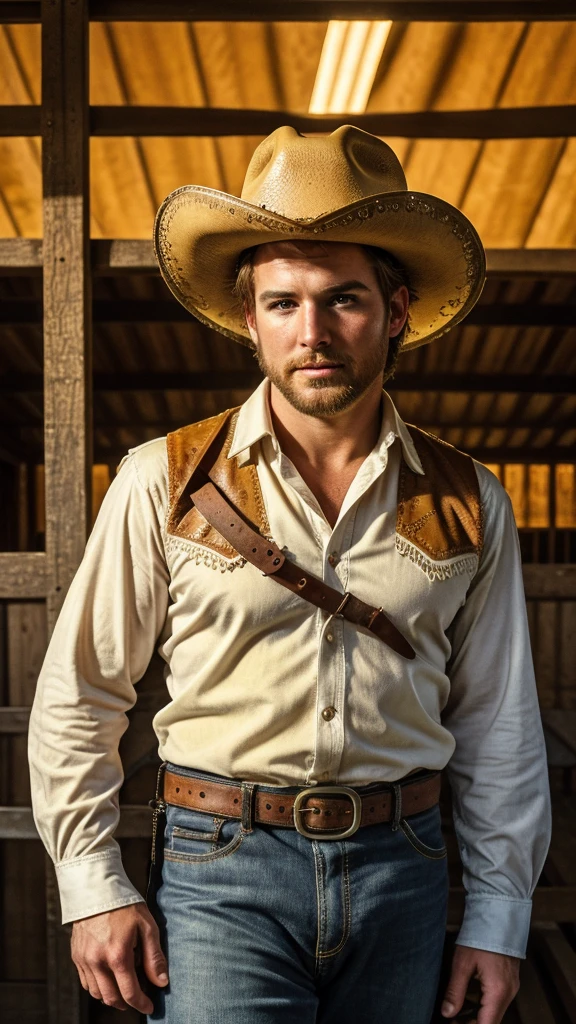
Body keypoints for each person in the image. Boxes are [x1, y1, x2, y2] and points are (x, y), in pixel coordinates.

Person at [29, 126, 551, 1024]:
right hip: (218, 864)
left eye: (342, 299)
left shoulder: (471, 498)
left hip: (408, 867)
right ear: (248, 319)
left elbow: (498, 722)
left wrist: (500, 918)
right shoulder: (165, 479)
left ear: (396, 311)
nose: (311, 333)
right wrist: (94, 883)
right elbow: (81, 694)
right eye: (282, 303)